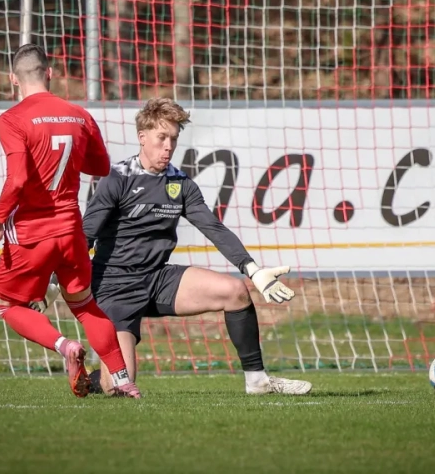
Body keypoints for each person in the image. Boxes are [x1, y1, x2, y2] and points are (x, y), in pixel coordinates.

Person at [81, 97, 312, 396]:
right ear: (142, 137)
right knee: (117, 388)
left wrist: (253, 270)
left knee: (235, 291)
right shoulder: (117, 178)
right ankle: (89, 377)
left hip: (158, 279)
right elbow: (86, 235)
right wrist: (62, 279)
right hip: (115, 286)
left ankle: (258, 381)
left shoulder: (180, 183)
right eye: (161, 137)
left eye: (173, 139)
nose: (168, 146)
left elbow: (213, 228)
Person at [0, 43, 140, 399]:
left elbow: (18, 179)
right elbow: (101, 166)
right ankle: (123, 381)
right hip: (70, 231)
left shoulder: (12, 119)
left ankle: (65, 346)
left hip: (30, 235)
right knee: (85, 305)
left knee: (9, 306)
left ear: (13, 79)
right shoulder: (79, 115)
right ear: (49, 73)